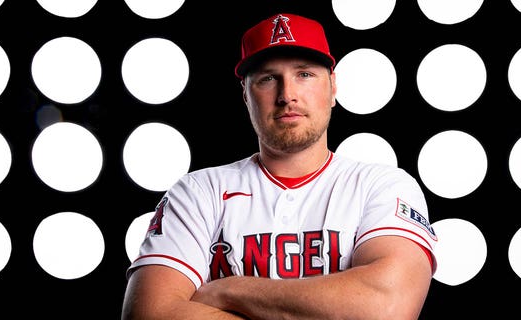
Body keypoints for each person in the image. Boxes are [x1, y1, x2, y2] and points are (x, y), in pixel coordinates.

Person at [121, 12, 438, 320]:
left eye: (304, 74)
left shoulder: (381, 186)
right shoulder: (197, 192)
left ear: (333, 88)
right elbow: (151, 313)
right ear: (246, 95)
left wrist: (230, 290)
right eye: (268, 78)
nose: (287, 95)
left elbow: (386, 307)